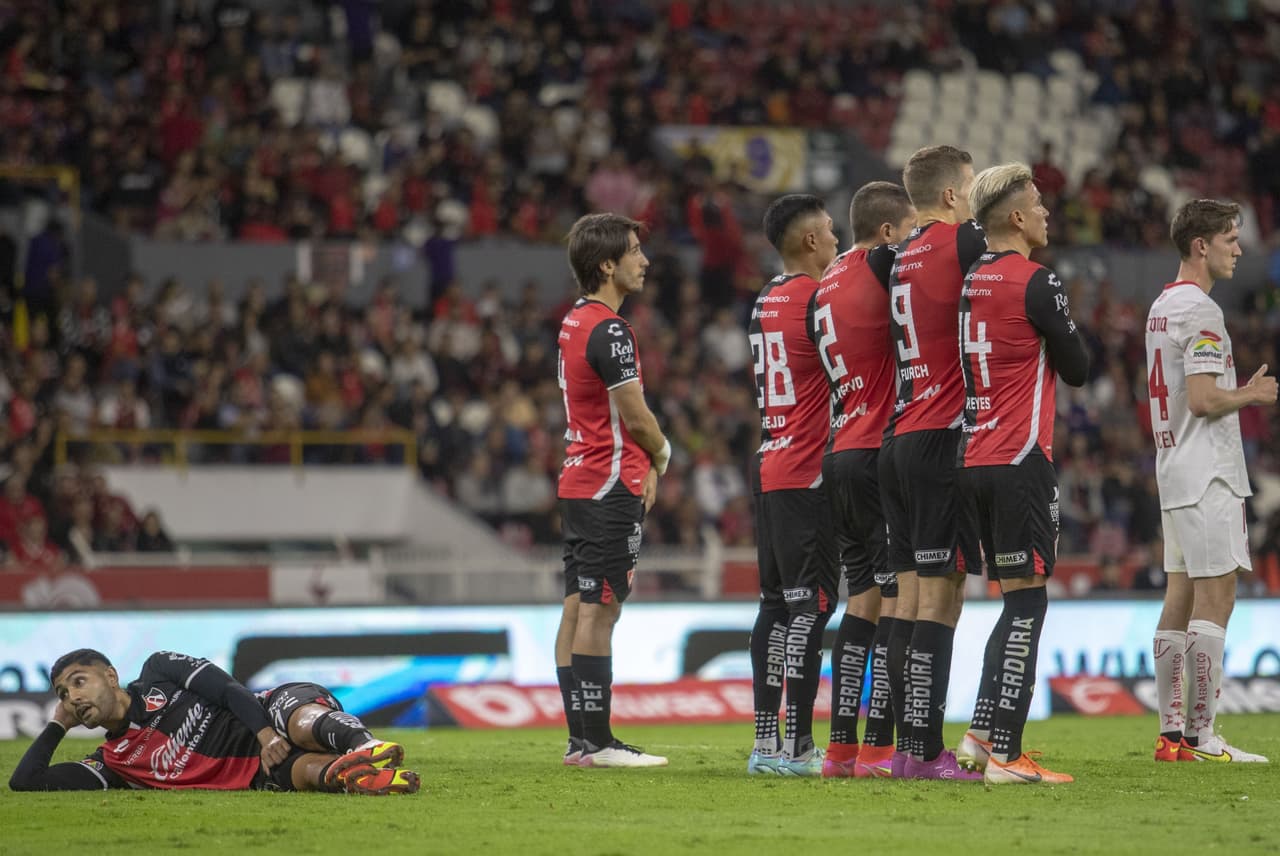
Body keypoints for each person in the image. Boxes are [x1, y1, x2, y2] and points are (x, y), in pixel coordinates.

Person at [953, 163, 1090, 784]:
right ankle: (1008, 753)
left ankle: (983, 734)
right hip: (1018, 458)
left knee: (1012, 604)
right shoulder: (1037, 281)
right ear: (1014, 217)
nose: (1045, 213)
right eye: (1037, 204)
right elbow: (1079, 366)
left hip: (974, 457)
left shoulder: (972, 279)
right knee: (1028, 605)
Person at [1145, 199, 1274, 764]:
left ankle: (1172, 733)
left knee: (1180, 594)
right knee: (1216, 595)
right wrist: (1251, 393)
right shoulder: (1201, 311)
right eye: (1229, 239)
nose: (1238, 249)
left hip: (1174, 470)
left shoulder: (1161, 306)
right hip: (1209, 474)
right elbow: (1202, 399)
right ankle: (1202, 736)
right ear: (1201, 246)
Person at [877, 145, 986, 780]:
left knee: (910, 601)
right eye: (968, 186)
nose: (972, 196)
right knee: (942, 602)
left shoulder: (900, 256)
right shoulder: (960, 240)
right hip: (942, 436)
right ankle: (924, 752)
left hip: (898, 436)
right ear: (949, 196)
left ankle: (906, 749)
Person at [554, 213, 671, 769]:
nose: (643, 260)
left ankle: (581, 741)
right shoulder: (610, 329)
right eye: (633, 251)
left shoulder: (575, 321)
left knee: (578, 605)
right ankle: (597, 744)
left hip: (579, 480)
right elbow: (637, 418)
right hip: (608, 485)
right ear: (607, 264)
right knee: (601, 610)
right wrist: (662, 455)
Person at [812, 181, 916, 778]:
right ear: (885, 234)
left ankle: (841, 749)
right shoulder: (881, 265)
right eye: (905, 234)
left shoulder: (825, 283)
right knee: (899, 595)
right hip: (878, 449)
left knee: (863, 603)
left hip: (840, 449)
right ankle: (879, 747)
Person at [9, 649, 419, 794]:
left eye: (79, 682)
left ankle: (362, 745)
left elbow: (227, 689)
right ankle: (357, 777)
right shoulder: (112, 764)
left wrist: (263, 733)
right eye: (64, 693)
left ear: (111, 676)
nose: (73, 697)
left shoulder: (158, 670)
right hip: (255, 771)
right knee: (309, 774)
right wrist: (57, 724)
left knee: (300, 722)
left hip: (264, 711)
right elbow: (25, 782)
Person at [746, 194, 840, 777]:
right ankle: (801, 747)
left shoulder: (765, 300)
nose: (836, 240)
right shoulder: (817, 300)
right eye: (831, 232)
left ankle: (766, 744)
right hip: (808, 470)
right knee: (813, 605)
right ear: (809, 241)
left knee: (774, 606)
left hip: (770, 464)